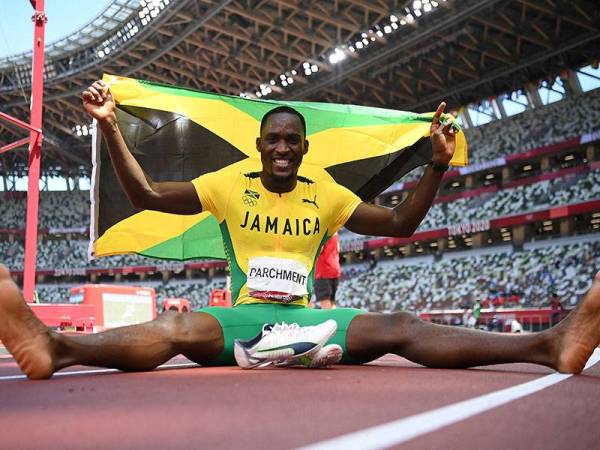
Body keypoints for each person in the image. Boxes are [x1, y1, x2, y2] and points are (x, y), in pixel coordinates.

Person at [1, 79, 600, 379]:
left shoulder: (327, 193)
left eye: (292, 140)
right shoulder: (231, 181)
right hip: (245, 318)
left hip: (311, 320)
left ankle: (550, 345)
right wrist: (109, 128)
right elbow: (149, 196)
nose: (282, 148)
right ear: (260, 147)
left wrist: (439, 163)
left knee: (398, 324)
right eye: (273, 140)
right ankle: (54, 346)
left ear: (304, 147)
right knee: (178, 326)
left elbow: (399, 223)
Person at [312, 233, 341, 309]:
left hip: (322, 272)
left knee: (325, 303)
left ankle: (329, 320)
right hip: (335, 269)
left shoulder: (322, 233)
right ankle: (335, 319)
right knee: (332, 302)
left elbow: (318, 251)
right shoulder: (335, 233)